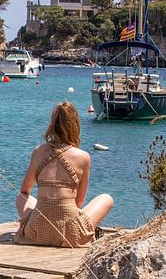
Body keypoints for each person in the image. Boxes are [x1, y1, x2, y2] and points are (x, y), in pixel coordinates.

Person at [15, 101, 113, 247]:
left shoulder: (38, 151)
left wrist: (33, 214)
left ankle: (41, 223)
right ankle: (85, 232)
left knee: (21, 197)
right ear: (75, 126)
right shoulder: (83, 157)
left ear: (52, 125)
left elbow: (24, 191)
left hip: (36, 230)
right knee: (106, 198)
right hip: (70, 233)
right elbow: (79, 202)